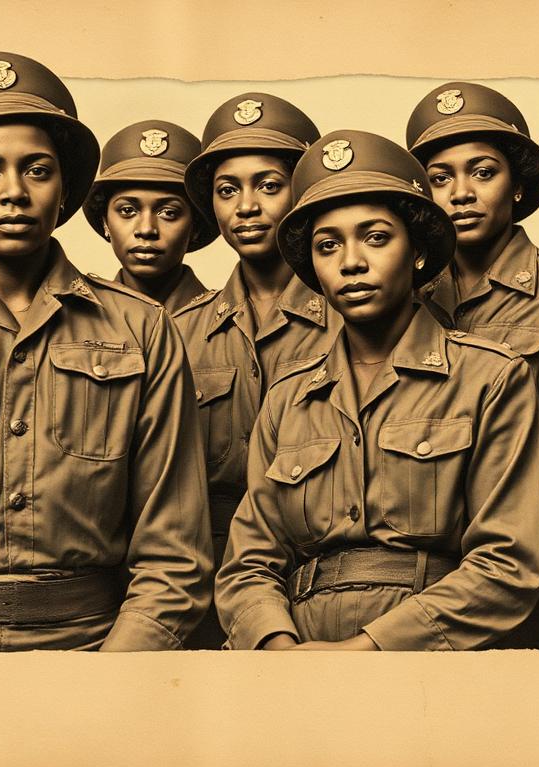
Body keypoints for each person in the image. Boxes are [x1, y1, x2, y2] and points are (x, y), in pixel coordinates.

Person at [0, 52, 212, 651]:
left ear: (65, 187)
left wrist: (108, 683)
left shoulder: (141, 330)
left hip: (94, 644)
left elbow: (175, 556)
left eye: (37, 171)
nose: (14, 193)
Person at [214, 130, 539, 650]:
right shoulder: (287, 397)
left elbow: (506, 566)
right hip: (295, 655)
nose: (351, 262)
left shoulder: (490, 378)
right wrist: (277, 645)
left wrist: (366, 648)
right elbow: (248, 563)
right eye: (328, 246)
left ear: (417, 252)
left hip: (429, 656)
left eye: (375, 238)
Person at [405, 82, 539, 648]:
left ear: (519, 186)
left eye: (483, 173)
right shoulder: (409, 297)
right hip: (431, 562)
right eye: (440, 178)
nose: (461, 194)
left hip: (536, 551)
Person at [179, 93, 341, 647]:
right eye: (227, 191)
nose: (246, 206)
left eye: (269, 186)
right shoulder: (179, 330)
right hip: (204, 573)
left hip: (327, 570)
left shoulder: (356, 314)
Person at [82, 120, 217, 310]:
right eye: (127, 211)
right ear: (105, 222)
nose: (146, 229)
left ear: (196, 226)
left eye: (168, 213)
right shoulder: (76, 319)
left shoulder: (231, 323)